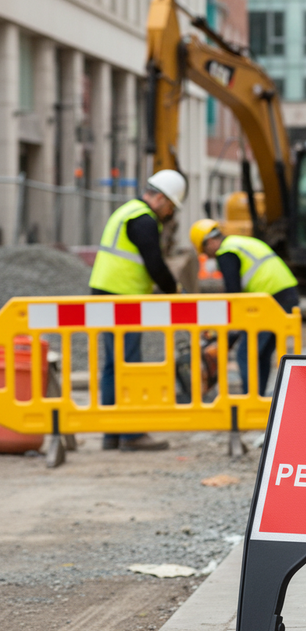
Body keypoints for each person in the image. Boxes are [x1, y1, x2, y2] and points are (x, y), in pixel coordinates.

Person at [89, 169, 186, 452]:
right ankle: (131, 433)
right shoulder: (143, 220)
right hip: (123, 298)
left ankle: (112, 433)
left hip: (106, 292)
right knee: (128, 363)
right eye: (170, 206)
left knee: (113, 364)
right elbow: (154, 265)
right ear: (159, 198)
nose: (169, 213)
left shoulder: (126, 211)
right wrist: (175, 292)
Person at [190, 221, 299, 395]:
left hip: (270, 300)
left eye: (205, 252)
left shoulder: (227, 252)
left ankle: (251, 400)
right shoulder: (239, 243)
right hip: (286, 295)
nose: (208, 257)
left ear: (209, 242)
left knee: (245, 354)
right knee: (261, 354)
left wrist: (229, 336)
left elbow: (234, 295)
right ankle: (260, 399)